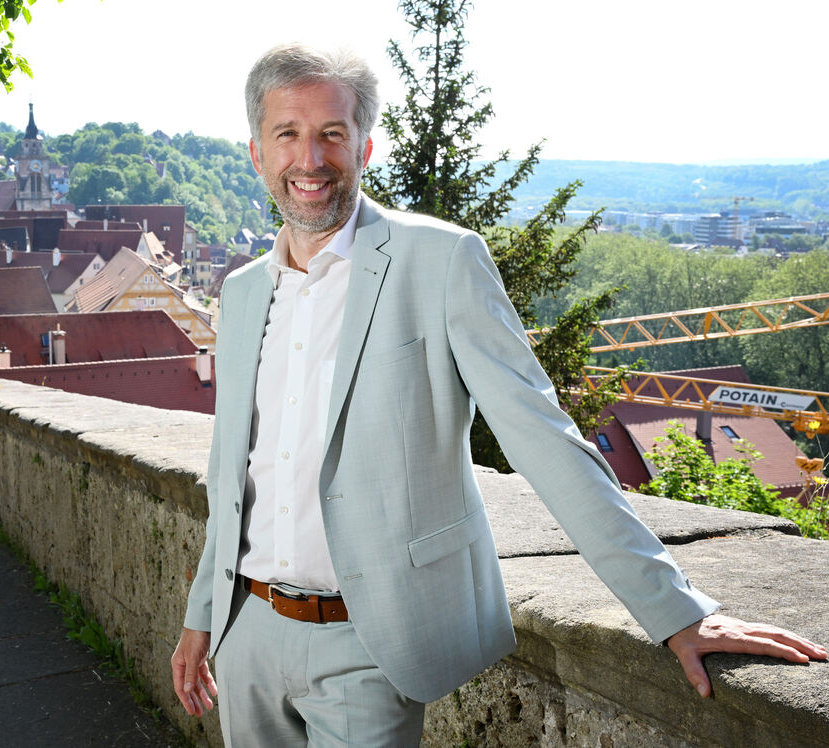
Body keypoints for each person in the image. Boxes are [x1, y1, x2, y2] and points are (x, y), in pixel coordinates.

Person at [171, 43, 825, 746]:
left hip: (369, 643)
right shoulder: (242, 294)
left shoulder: (440, 260)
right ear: (257, 154)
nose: (310, 158)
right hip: (247, 635)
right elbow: (233, 475)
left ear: (364, 148)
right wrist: (203, 615)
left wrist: (677, 610)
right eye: (287, 134)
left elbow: (543, 439)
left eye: (332, 133)